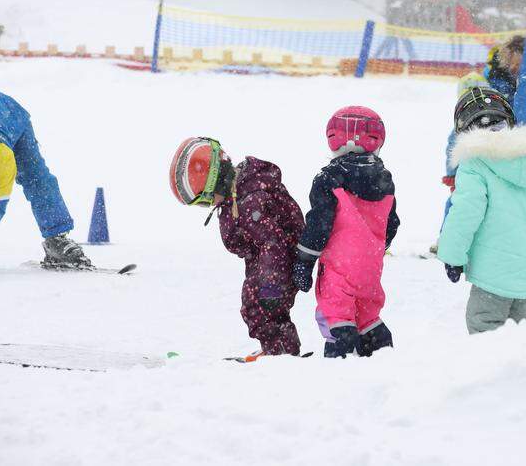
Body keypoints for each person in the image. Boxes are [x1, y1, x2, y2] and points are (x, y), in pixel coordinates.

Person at [437, 87, 526, 334]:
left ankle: (492, 370)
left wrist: (453, 255)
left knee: (484, 326)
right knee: (518, 329)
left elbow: (466, 213)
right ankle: (519, 368)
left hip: (492, 272)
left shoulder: (475, 164)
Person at [169, 137, 303, 357]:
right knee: (255, 306)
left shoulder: (248, 203)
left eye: (206, 200)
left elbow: (272, 243)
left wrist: (271, 285)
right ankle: (277, 350)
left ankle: (281, 354)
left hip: (278, 266)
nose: (209, 205)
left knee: (262, 309)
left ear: (215, 183)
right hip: (266, 264)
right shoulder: (237, 196)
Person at [292, 106, 400, 358]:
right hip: (370, 267)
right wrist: (376, 248)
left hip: (340, 265)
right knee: (367, 312)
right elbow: (392, 222)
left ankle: (340, 353)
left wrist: (304, 261)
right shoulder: (383, 178)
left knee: (335, 312)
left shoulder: (329, 178)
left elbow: (319, 223)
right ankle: (379, 346)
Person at [434, 35, 526, 253]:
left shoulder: (522, 85)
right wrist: (452, 171)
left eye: (521, 65)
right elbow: (458, 136)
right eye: (515, 63)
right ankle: (447, 240)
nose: (517, 69)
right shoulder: (489, 82)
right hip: (479, 145)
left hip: (503, 147)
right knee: (463, 198)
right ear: (507, 58)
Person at [0, 91, 93, 269]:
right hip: (9, 115)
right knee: (37, 178)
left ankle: (57, 239)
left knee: (37, 178)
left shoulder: (1, 159)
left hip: (15, 120)